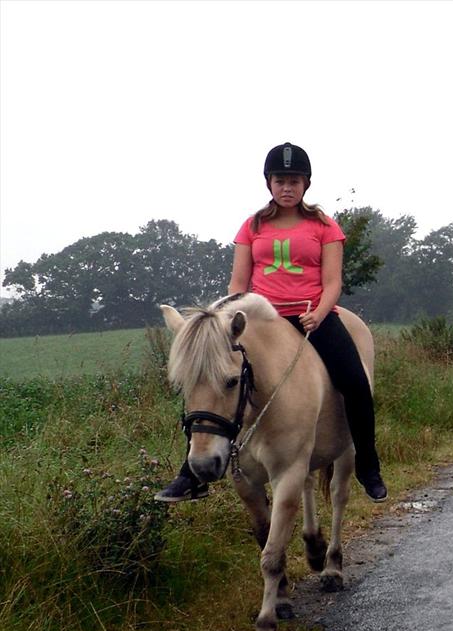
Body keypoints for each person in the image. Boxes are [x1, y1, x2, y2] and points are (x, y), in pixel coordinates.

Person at [155, 142, 388, 504]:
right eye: (280, 180)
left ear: (306, 184)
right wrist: (229, 316)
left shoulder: (325, 226)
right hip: (261, 317)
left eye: (294, 180)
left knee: (356, 382)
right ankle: (191, 475)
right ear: (269, 183)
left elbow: (333, 283)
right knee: (209, 378)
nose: (287, 187)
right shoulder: (252, 226)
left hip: (312, 315)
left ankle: (368, 465)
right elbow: (238, 283)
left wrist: (321, 312)